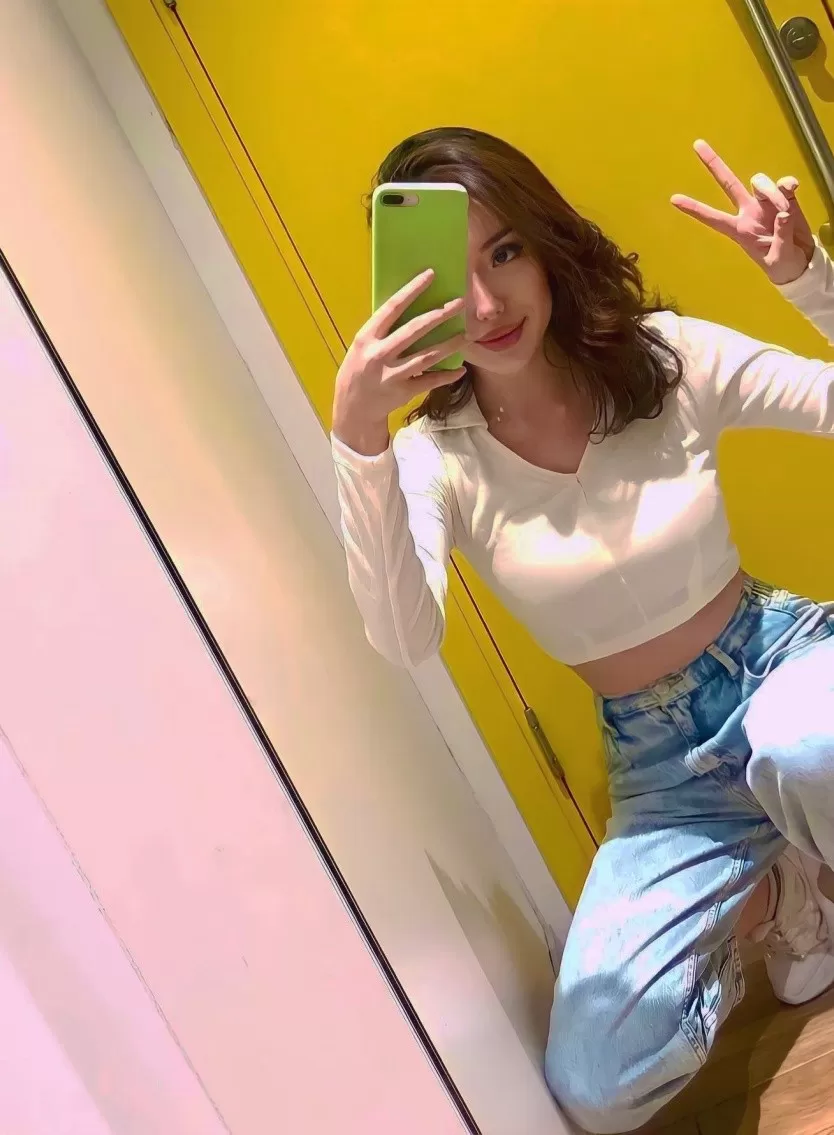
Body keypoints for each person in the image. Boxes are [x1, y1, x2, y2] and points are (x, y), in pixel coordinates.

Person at [330, 126, 834, 1133]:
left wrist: (809, 280)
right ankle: (795, 901)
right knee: (600, 1085)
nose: (485, 305)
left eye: (504, 251)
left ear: (546, 244)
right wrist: (359, 442)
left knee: (805, 741)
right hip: (659, 765)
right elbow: (404, 638)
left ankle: (802, 828)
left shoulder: (667, 359)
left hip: (779, 662)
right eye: (450, 275)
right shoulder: (435, 456)